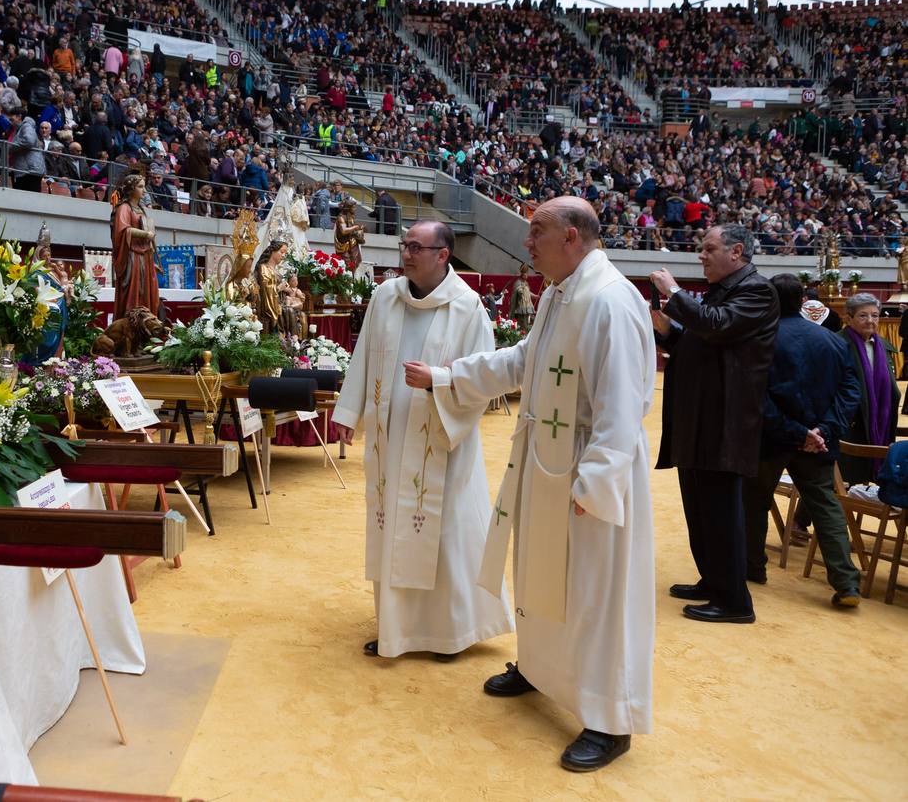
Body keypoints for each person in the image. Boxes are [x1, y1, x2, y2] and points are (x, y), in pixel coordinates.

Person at [413, 198, 654, 772]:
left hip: (591, 472)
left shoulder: (609, 300)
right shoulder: (558, 293)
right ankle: (540, 668)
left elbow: (623, 409)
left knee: (596, 596)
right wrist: (449, 377)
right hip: (547, 460)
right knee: (539, 577)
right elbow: (525, 361)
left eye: (537, 233)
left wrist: (594, 486)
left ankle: (609, 721)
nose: (527, 243)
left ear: (572, 237)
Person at [331, 220, 513, 663]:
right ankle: (397, 629)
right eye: (404, 244)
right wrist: (349, 413)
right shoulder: (385, 296)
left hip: (441, 442)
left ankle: (447, 635)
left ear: (443, 255)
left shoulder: (467, 307)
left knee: (444, 535)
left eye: (417, 246)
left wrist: (440, 382)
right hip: (390, 441)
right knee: (392, 528)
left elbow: (484, 382)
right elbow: (364, 356)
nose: (407, 253)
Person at [651, 225, 778, 624]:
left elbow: (717, 326)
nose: (701, 256)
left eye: (708, 249)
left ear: (737, 251)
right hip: (702, 418)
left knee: (721, 511)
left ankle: (735, 601)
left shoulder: (758, 290)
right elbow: (698, 340)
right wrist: (667, 332)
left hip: (725, 421)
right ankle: (713, 580)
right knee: (700, 508)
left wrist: (675, 294)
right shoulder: (724, 291)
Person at [741, 274, 862, 606]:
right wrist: (824, 430)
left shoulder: (761, 339)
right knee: (825, 505)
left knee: (754, 502)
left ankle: (754, 568)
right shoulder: (835, 342)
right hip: (820, 440)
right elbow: (851, 392)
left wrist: (798, 432)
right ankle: (847, 582)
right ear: (802, 302)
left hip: (772, 439)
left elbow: (757, 396)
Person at [838, 293, 901, 484]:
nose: (870, 320)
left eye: (875, 315)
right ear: (848, 319)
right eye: (863, 315)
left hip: (881, 419)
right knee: (844, 480)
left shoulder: (883, 345)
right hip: (850, 423)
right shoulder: (838, 343)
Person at [110, 173, 160, 322]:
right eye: (140, 187)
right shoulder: (124, 208)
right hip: (132, 256)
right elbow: (123, 230)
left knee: (147, 292)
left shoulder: (141, 209)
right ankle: (131, 323)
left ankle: (145, 322)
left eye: (144, 187)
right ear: (131, 189)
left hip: (145, 257)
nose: (144, 191)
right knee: (135, 291)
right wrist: (145, 234)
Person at [253, 240, 287, 334]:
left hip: (279, 302)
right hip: (267, 305)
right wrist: (279, 288)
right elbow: (266, 289)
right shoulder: (263, 268)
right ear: (273, 251)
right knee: (288, 311)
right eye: (282, 252)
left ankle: (292, 339)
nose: (283, 255)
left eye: (285, 253)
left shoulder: (275, 270)